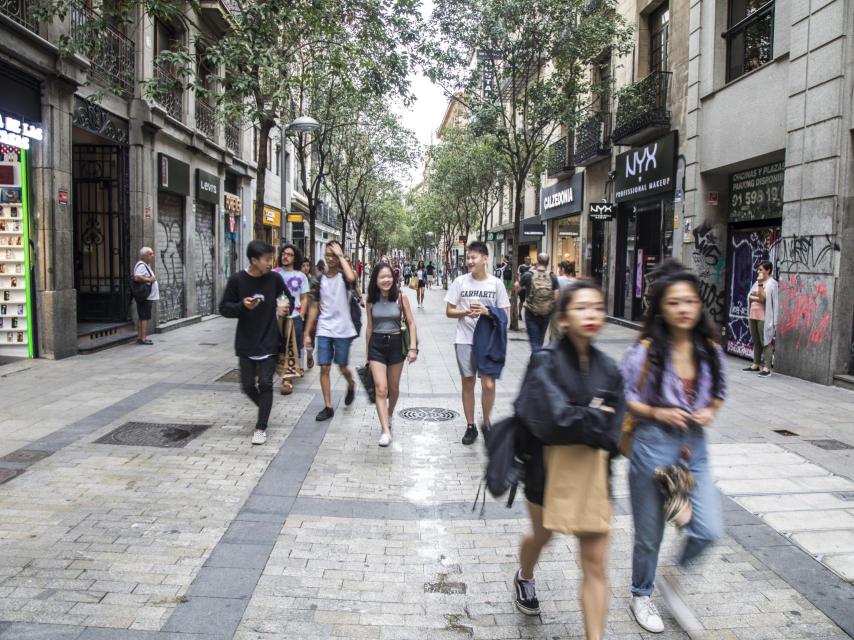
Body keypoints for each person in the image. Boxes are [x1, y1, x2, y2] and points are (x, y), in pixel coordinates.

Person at [621, 259, 728, 634]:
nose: (684, 309)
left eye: (690, 302)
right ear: (662, 309)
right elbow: (626, 397)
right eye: (675, 303)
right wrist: (658, 412)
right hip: (652, 445)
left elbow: (719, 393)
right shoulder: (646, 352)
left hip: (692, 448)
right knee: (650, 533)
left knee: (708, 529)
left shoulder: (710, 349)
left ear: (699, 306)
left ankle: (672, 579)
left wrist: (708, 412)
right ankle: (641, 593)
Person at [513, 281, 624, 639]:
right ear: (562, 317)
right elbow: (551, 419)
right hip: (544, 472)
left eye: (596, 307)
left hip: (595, 474)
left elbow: (614, 434)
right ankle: (525, 575)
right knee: (541, 536)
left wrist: (582, 418)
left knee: (594, 563)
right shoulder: (543, 361)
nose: (590, 314)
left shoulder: (610, 369)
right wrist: (595, 415)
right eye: (581, 308)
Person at [219, 240, 292, 446]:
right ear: (254, 260)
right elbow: (224, 308)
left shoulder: (275, 279)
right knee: (248, 385)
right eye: (267, 259)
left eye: (272, 258)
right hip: (246, 341)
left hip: (270, 340)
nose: (271, 263)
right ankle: (265, 407)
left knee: (266, 384)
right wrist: (242, 306)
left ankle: (261, 427)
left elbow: (288, 298)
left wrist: (284, 306)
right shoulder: (237, 280)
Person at [445, 241, 510, 445]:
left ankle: (487, 422)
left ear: (485, 259)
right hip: (464, 340)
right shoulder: (460, 282)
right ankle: (471, 426)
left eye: (474, 257)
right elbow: (449, 310)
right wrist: (466, 312)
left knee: (488, 384)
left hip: (488, 341)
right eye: (468, 258)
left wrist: (487, 311)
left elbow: (505, 314)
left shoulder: (496, 284)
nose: (470, 261)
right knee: (468, 382)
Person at [305, 240, 360, 422]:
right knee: (325, 368)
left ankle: (351, 383)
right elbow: (314, 306)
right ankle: (328, 407)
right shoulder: (319, 279)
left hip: (343, 329)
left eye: (333, 255)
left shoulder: (345, 277)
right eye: (328, 255)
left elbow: (353, 279)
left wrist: (341, 256)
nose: (330, 259)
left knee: (342, 366)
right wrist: (307, 333)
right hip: (324, 329)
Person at [365, 263, 418, 446]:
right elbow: (369, 327)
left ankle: (389, 414)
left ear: (393, 278)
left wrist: (412, 348)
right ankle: (385, 430)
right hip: (376, 346)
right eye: (382, 277)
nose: (386, 280)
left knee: (393, 389)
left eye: (389, 276)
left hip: (396, 345)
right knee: (381, 388)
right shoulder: (370, 300)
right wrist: (367, 354)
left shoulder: (401, 298)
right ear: (376, 280)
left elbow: (411, 323)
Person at [273, 244, 310, 393]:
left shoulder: (301, 276)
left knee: (294, 345)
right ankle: (286, 375)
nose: (285, 256)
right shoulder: (275, 274)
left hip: (294, 316)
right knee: (281, 346)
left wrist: (301, 314)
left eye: (289, 254)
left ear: (295, 258)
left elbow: (304, 297)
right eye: (283, 253)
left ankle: (287, 379)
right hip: (277, 316)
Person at [516, 253, 559, 352]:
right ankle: (538, 359)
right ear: (547, 263)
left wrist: (523, 284)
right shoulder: (552, 276)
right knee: (540, 341)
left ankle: (537, 361)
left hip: (531, 313)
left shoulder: (528, 275)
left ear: (537, 262)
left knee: (535, 343)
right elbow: (557, 297)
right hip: (546, 314)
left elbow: (516, 288)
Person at [744, 260, 778, 378]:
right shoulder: (757, 282)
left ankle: (767, 368)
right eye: (758, 269)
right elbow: (749, 296)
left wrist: (758, 288)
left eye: (761, 269)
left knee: (766, 341)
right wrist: (756, 295)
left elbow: (763, 299)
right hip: (753, 315)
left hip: (764, 317)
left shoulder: (771, 283)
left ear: (768, 270)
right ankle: (755, 364)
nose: (758, 272)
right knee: (756, 341)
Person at [132, 247, 159, 345]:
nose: (152, 256)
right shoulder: (141, 265)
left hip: (147, 296)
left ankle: (140, 338)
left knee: (143, 316)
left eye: (152, 253)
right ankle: (143, 338)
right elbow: (136, 277)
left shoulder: (145, 265)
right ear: (144, 256)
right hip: (146, 296)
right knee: (144, 317)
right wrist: (149, 280)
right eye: (150, 254)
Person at [301, 257, 317, 369]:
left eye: (307, 265)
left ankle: (310, 356)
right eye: (303, 266)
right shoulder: (296, 280)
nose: (306, 268)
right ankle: (299, 366)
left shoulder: (314, 281)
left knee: (310, 341)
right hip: (300, 314)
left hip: (311, 316)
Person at [516, 255, 533, 321]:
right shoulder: (521, 266)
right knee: (521, 301)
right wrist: (520, 284)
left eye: (529, 259)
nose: (528, 260)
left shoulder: (532, 267)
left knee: (529, 301)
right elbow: (518, 275)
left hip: (529, 287)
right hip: (522, 287)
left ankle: (529, 315)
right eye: (527, 259)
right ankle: (519, 313)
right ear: (524, 259)